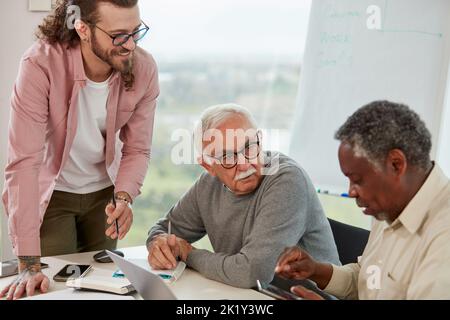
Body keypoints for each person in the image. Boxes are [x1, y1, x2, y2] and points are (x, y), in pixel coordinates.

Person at [1, 0, 159, 300]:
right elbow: (24, 163)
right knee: (53, 288)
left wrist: (125, 196)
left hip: (105, 196)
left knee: (101, 290)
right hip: (52, 196)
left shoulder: (144, 68)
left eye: (135, 32)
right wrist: (28, 262)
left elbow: (137, 148)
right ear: (83, 28)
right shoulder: (40, 64)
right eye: (118, 35)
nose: (130, 45)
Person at [146, 103, 339, 288]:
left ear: (260, 140)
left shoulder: (287, 179)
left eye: (249, 147)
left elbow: (252, 273)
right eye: (228, 157)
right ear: (208, 166)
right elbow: (165, 230)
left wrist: (188, 253)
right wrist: (159, 244)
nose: (245, 164)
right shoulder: (208, 185)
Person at [275, 100, 450, 300]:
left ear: (396, 164)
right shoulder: (389, 207)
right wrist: (316, 270)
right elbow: (369, 281)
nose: (351, 192)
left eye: (357, 180)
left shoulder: (443, 236)